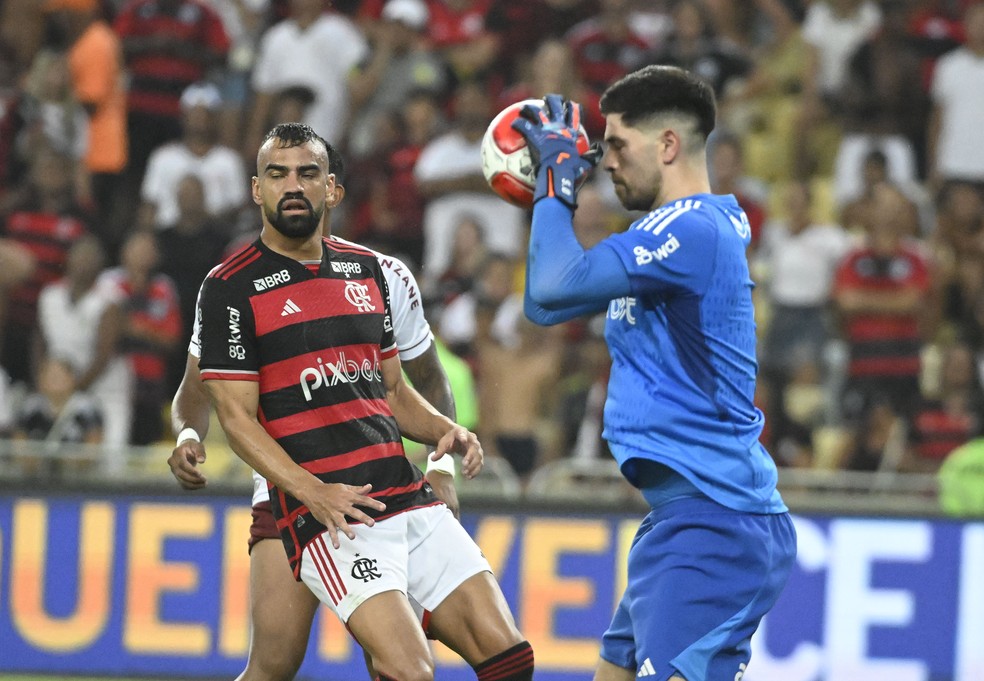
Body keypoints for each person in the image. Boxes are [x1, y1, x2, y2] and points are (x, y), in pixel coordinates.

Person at [190, 122, 532, 681]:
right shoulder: (230, 287)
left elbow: (394, 391)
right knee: (404, 672)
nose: (292, 186)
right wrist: (312, 491)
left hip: (403, 490)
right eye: (277, 175)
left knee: (510, 658)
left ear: (333, 190)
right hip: (334, 510)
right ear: (257, 190)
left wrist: (445, 431)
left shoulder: (369, 271)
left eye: (308, 173)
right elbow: (235, 418)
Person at [512, 66, 796, 681]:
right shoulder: (667, 233)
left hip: (715, 522)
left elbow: (556, 285)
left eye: (616, 144)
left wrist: (558, 185)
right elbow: (542, 304)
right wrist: (553, 189)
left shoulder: (689, 229)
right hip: (679, 521)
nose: (603, 161)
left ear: (667, 145)